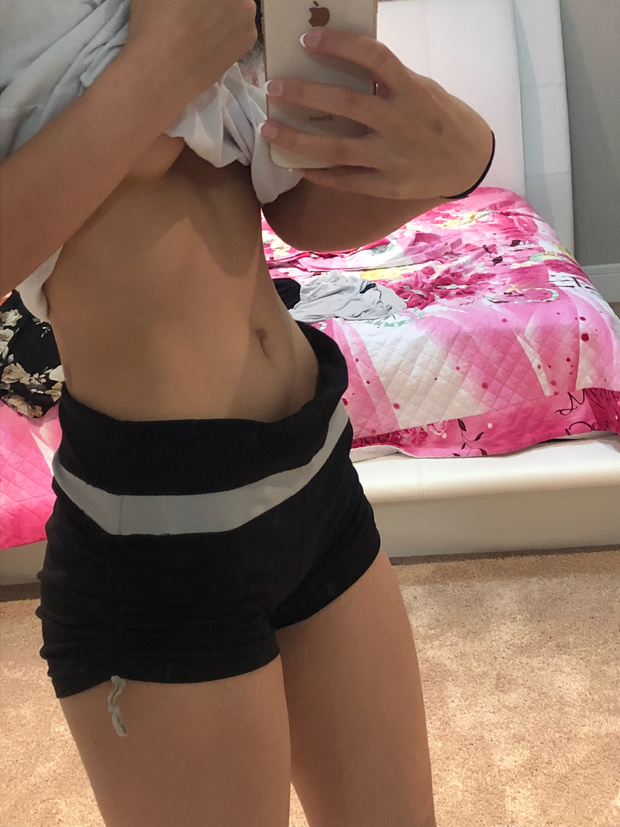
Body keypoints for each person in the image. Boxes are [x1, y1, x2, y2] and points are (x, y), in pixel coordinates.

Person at [0, 1, 493, 824]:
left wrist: (456, 162)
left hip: (314, 474)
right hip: (160, 541)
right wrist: (158, 68)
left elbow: (295, 207)